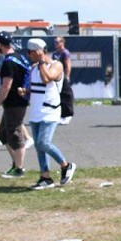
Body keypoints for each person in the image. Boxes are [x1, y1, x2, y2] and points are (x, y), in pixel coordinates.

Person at [23, 38, 76, 189]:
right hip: (36, 112)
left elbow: (47, 79)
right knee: (39, 147)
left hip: (50, 111)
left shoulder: (56, 65)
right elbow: (35, 89)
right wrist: (25, 92)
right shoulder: (33, 68)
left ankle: (66, 166)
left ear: (39, 51)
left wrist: (41, 62)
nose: (28, 55)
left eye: (30, 52)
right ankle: (45, 177)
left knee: (43, 143)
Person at [0, 31, 30, 178]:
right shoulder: (19, 57)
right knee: (4, 134)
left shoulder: (8, 62)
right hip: (17, 102)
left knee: (15, 134)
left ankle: (19, 169)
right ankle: (15, 165)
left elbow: (6, 86)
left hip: (14, 103)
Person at [52, 36, 74, 125]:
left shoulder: (65, 53)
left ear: (62, 43)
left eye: (57, 42)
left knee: (66, 96)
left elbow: (68, 66)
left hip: (63, 78)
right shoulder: (55, 54)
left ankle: (68, 115)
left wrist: (67, 77)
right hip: (57, 78)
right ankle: (61, 115)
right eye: (55, 42)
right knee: (59, 97)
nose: (55, 44)